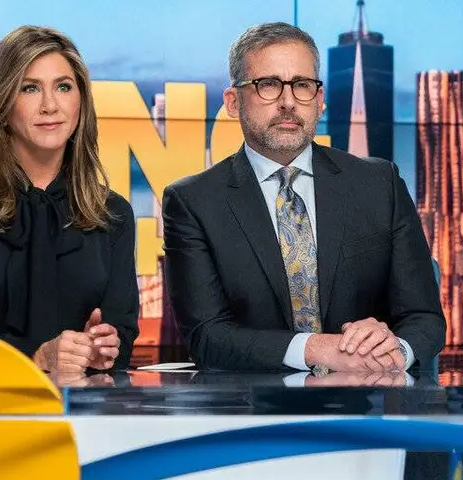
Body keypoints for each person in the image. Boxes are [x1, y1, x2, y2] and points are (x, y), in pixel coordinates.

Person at [162, 22, 445, 373]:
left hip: (369, 397)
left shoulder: (379, 184)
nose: (288, 102)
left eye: (302, 85)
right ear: (233, 102)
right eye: (268, 85)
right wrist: (315, 349)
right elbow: (207, 336)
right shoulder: (192, 201)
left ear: (320, 101)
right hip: (252, 402)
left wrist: (395, 350)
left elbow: (424, 317)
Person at [0, 26, 139, 374]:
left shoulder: (113, 213)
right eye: (30, 88)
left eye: (63, 87)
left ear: (81, 102)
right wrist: (37, 358)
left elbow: (122, 333)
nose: (50, 106)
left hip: (84, 398)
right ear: (2, 102)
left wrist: (104, 349)